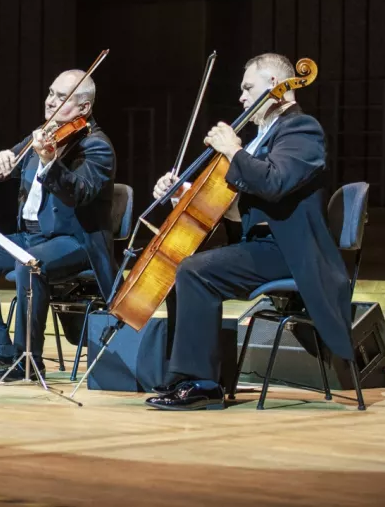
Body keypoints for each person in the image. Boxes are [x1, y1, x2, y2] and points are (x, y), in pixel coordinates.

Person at [145, 53, 354, 410]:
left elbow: (273, 183)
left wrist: (233, 149)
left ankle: (202, 383)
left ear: (274, 86)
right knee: (186, 263)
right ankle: (185, 376)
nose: (241, 98)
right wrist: (183, 194)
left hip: (291, 252)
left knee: (196, 271)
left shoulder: (301, 129)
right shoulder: (265, 136)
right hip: (264, 246)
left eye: (248, 87)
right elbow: (240, 209)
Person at [0, 70, 116, 381]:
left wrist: (51, 162)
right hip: (30, 236)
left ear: (84, 109)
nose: (51, 102)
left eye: (62, 98)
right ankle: (1, 348)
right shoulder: (41, 135)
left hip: (75, 241)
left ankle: (29, 359)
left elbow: (80, 193)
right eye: (51, 93)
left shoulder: (96, 146)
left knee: (29, 266)